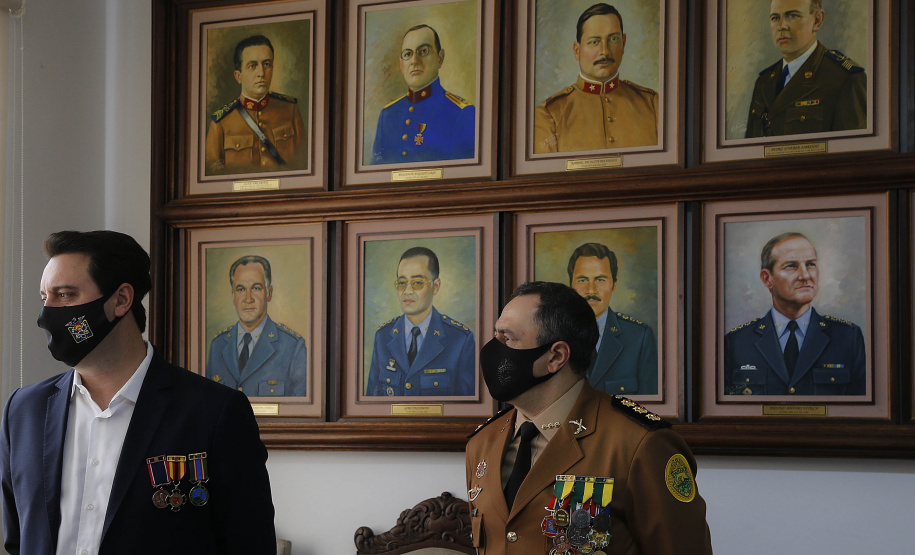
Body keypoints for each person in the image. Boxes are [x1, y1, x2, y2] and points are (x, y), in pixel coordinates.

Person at [0, 231, 275, 554]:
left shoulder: (213, 412)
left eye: (65, 295)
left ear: (120, 300)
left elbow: (249, 543)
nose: (48, 314)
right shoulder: (24, 411)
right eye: (45, 297)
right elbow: (19, 539)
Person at [465, 281, 711, 554]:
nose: (491, 349)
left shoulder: (639, 444)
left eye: (507, 338)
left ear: (556, 356)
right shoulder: (483, 442)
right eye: (495, 335)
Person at [724, 232, 866, 395]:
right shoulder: (737, 342)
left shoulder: (847, 337)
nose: (806, 275)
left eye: (811, 264)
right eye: (791, 266)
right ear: (767, 278)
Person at [533, 3, 658, 153]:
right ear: (577, 50)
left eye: (613, 39)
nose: (605, 51)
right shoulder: (550, 113)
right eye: (594, 42)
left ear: (623, 44)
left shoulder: (652, 104)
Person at [745, 0, 866, 138]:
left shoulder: (845, 79)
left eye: (792, 16)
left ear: (817, 20)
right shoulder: (764, 81)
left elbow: (855, 152)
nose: (781, 26)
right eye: (775, 18)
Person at [366, 247, 475, 396]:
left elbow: (469, 409)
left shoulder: (460, 340)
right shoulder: (383, 336)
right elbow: (372, 405)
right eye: (402, 283)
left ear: (435, 287)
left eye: (417, 283)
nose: (407, 291)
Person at [371, 24, 476, 164]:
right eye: (408, 54)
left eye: (423, 51)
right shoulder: (388, 114)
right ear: (402, 65)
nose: (414, 61)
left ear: (440, 58)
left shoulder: (462, 113)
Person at [206, 254, 307, 397]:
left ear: (269, 293)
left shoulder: (292, 347)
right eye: (241, 289)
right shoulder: (218, 345)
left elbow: (300, 412)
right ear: (233, 296)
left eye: (256, 288)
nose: (248, 299)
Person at [205, 34, 307, 174]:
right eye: (252, 66)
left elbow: (304, 164)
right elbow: (214, 176)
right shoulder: (221, 123)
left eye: (266, 64)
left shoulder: (290, 110)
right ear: (238, 76)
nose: (261, 73)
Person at [567, 242, 657, 395]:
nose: (591, 289)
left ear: (614, 285)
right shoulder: (553, 334)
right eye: (582, 280)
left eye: (600, 279)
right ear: (571, 285)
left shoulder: (639, 338)